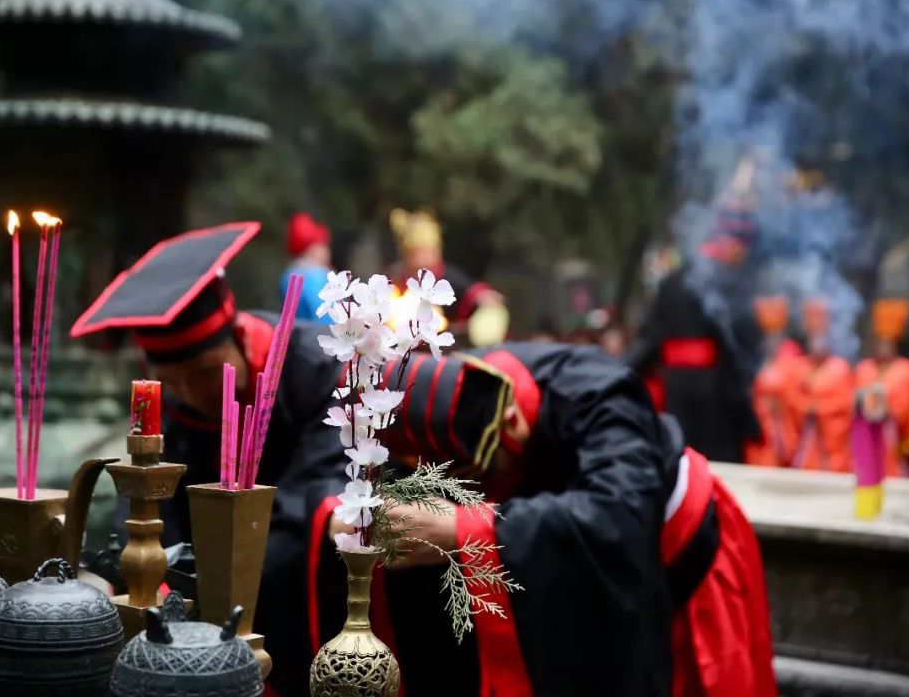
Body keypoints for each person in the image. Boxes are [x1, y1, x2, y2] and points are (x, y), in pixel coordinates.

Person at [313, 344, 776, 697]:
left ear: (512, 420)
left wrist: (463, 528)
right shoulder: (444, 404)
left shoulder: (600, 393)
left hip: (682, 554)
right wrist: (356, 517)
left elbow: (616, 517)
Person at [70, 222, 346, 696]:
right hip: (190, 618)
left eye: (202, 375)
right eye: (171, 381)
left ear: (238, 335)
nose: (190, 395)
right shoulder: (169, 402)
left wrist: (200, 587)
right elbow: (147, 503)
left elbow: (316, 498)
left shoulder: (315, 366)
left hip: (304, 596)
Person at [626, 209, 762, 464]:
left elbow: (649, 341)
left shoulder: (672, 281)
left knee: (683, 463)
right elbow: (740, 347)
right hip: (717, 395)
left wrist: (624, 371)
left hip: (677, 389)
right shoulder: (729, 282)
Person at [388, 207, 508, 347]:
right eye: (420, 253)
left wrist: (484, 297)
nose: (426, 257)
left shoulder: (449, 277)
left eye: (430, 252)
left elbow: (471, 291)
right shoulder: (396, 280)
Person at [853, 299, 909, 477]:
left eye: (888, 342)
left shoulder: (908, 371)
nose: (883, 347)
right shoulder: (864, 368)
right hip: (866, 438)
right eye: (881, 341)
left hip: (894, 443)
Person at [789, 299, 854, 472]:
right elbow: (791, 400)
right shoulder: (798, 367)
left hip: (832, 440)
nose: (818, 344)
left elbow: (845, 403)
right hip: (805, 437)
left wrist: (819, 409)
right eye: (814, 339)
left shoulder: (840, 368)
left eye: (822, 339)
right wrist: (805, 407)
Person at [745, 296, 804, 467]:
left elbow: (795, 391)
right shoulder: (758, 355)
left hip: (781, 424)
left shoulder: (792, 355)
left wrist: (780, 403)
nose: (771, 340)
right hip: (762, 425)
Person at [282, 212, 333, 324]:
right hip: (317, 337)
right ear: (313, 249)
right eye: (323, 245)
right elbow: (327, 317)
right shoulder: (317, 276)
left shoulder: (287, 276)